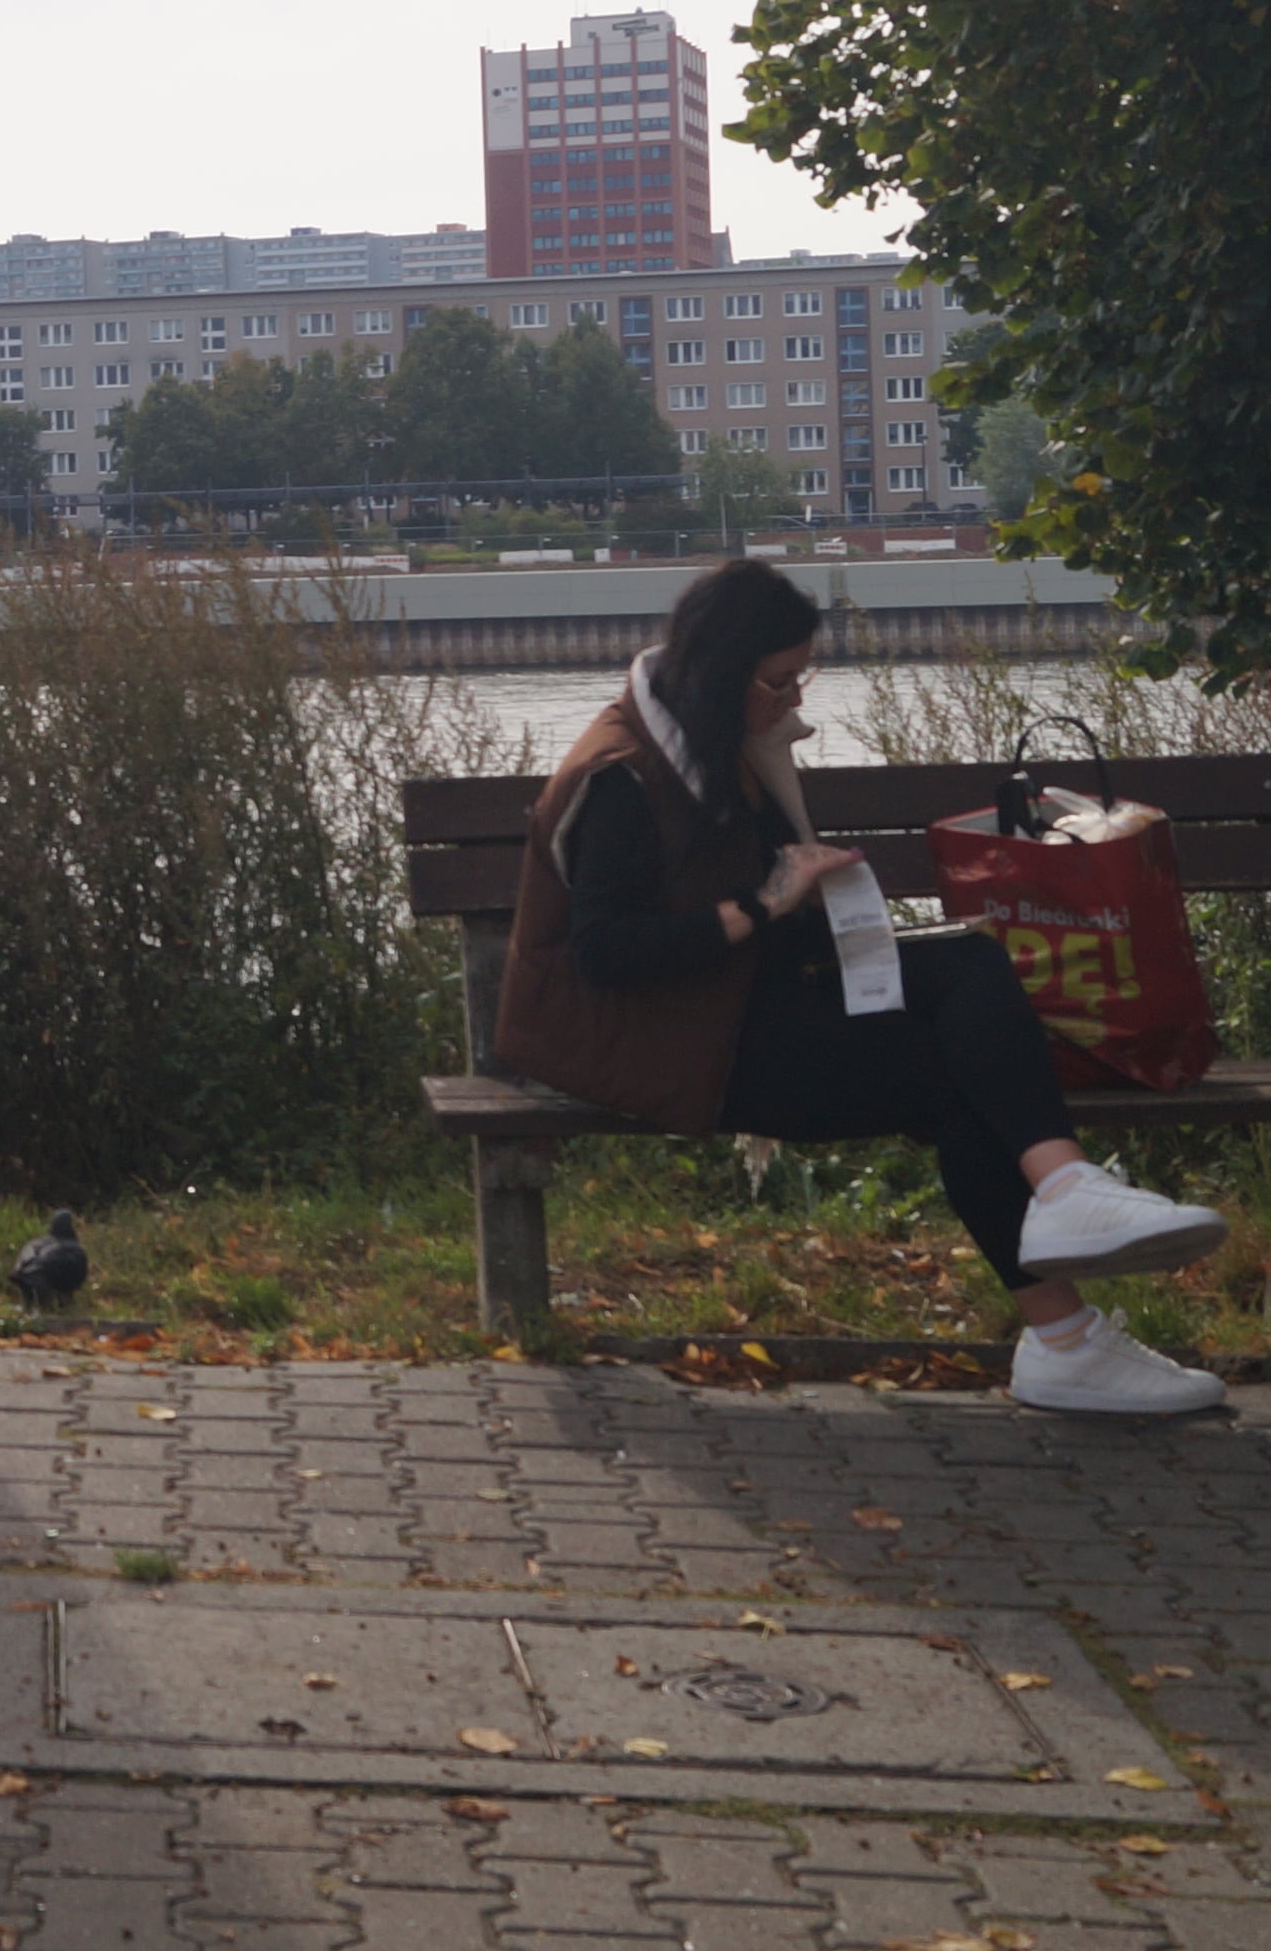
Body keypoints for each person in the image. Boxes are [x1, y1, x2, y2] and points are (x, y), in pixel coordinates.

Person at [492, 557, 1233, 1414]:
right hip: (664, 1044)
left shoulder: (714, 745)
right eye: (778, 682)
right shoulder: (621, 774)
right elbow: (609, 955)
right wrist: (767, 901)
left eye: (800, 677)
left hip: (732, 1009)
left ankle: (1068, 1214)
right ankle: (1066, 1317)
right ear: (723, 675)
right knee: (958, 1078)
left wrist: (829, 898)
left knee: (971, 965)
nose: (793, 702)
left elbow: (758, 905)